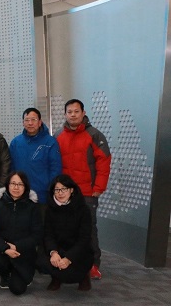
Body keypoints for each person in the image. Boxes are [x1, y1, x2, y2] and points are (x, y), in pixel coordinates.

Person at [55, 98, 111, 280]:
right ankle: (67, 262)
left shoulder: (95, 135)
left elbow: (104, 163)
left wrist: (99, 188)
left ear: (83, 113)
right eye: (69, 112)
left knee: (88, 230)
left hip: (87, 193)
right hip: (64, 194)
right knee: (65, 229)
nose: (73, 115)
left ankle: (93, 265)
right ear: (65, 114)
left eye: (76, 111)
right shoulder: (58, 136)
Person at [0, 172, 42, 295]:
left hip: (23, 252)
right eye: (13, 183)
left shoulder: (32, 206)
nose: (16, 187)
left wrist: (17, 246)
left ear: (25, 187)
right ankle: (5, 274)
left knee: (18, 289)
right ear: (7, 185)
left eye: (20, 184)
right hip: (4, 251)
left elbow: (37, 235)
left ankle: (21, 274)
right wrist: (5, 248)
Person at [40, 175, 93, 291]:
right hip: (59, 249)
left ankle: (83, 277)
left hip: (78, 251)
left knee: (73, 271)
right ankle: (56, 277)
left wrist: (69, 258)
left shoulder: (83, 209)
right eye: (57, 190)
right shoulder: (50, 209)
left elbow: (84, 238)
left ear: (71, 190)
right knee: (41, 258)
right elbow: (48, 234)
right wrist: (53, 252)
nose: (60, 193)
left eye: (64, 189)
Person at [9, 108, 61, 207]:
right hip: (21, 195)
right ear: (23, 123)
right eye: (27, 120)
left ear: (40, 122)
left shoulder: (50, 142)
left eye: (33, 120)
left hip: (43, 195)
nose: (30, 123)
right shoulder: (15, 142)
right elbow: (11, 168)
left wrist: (51, 189)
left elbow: (55, 168)